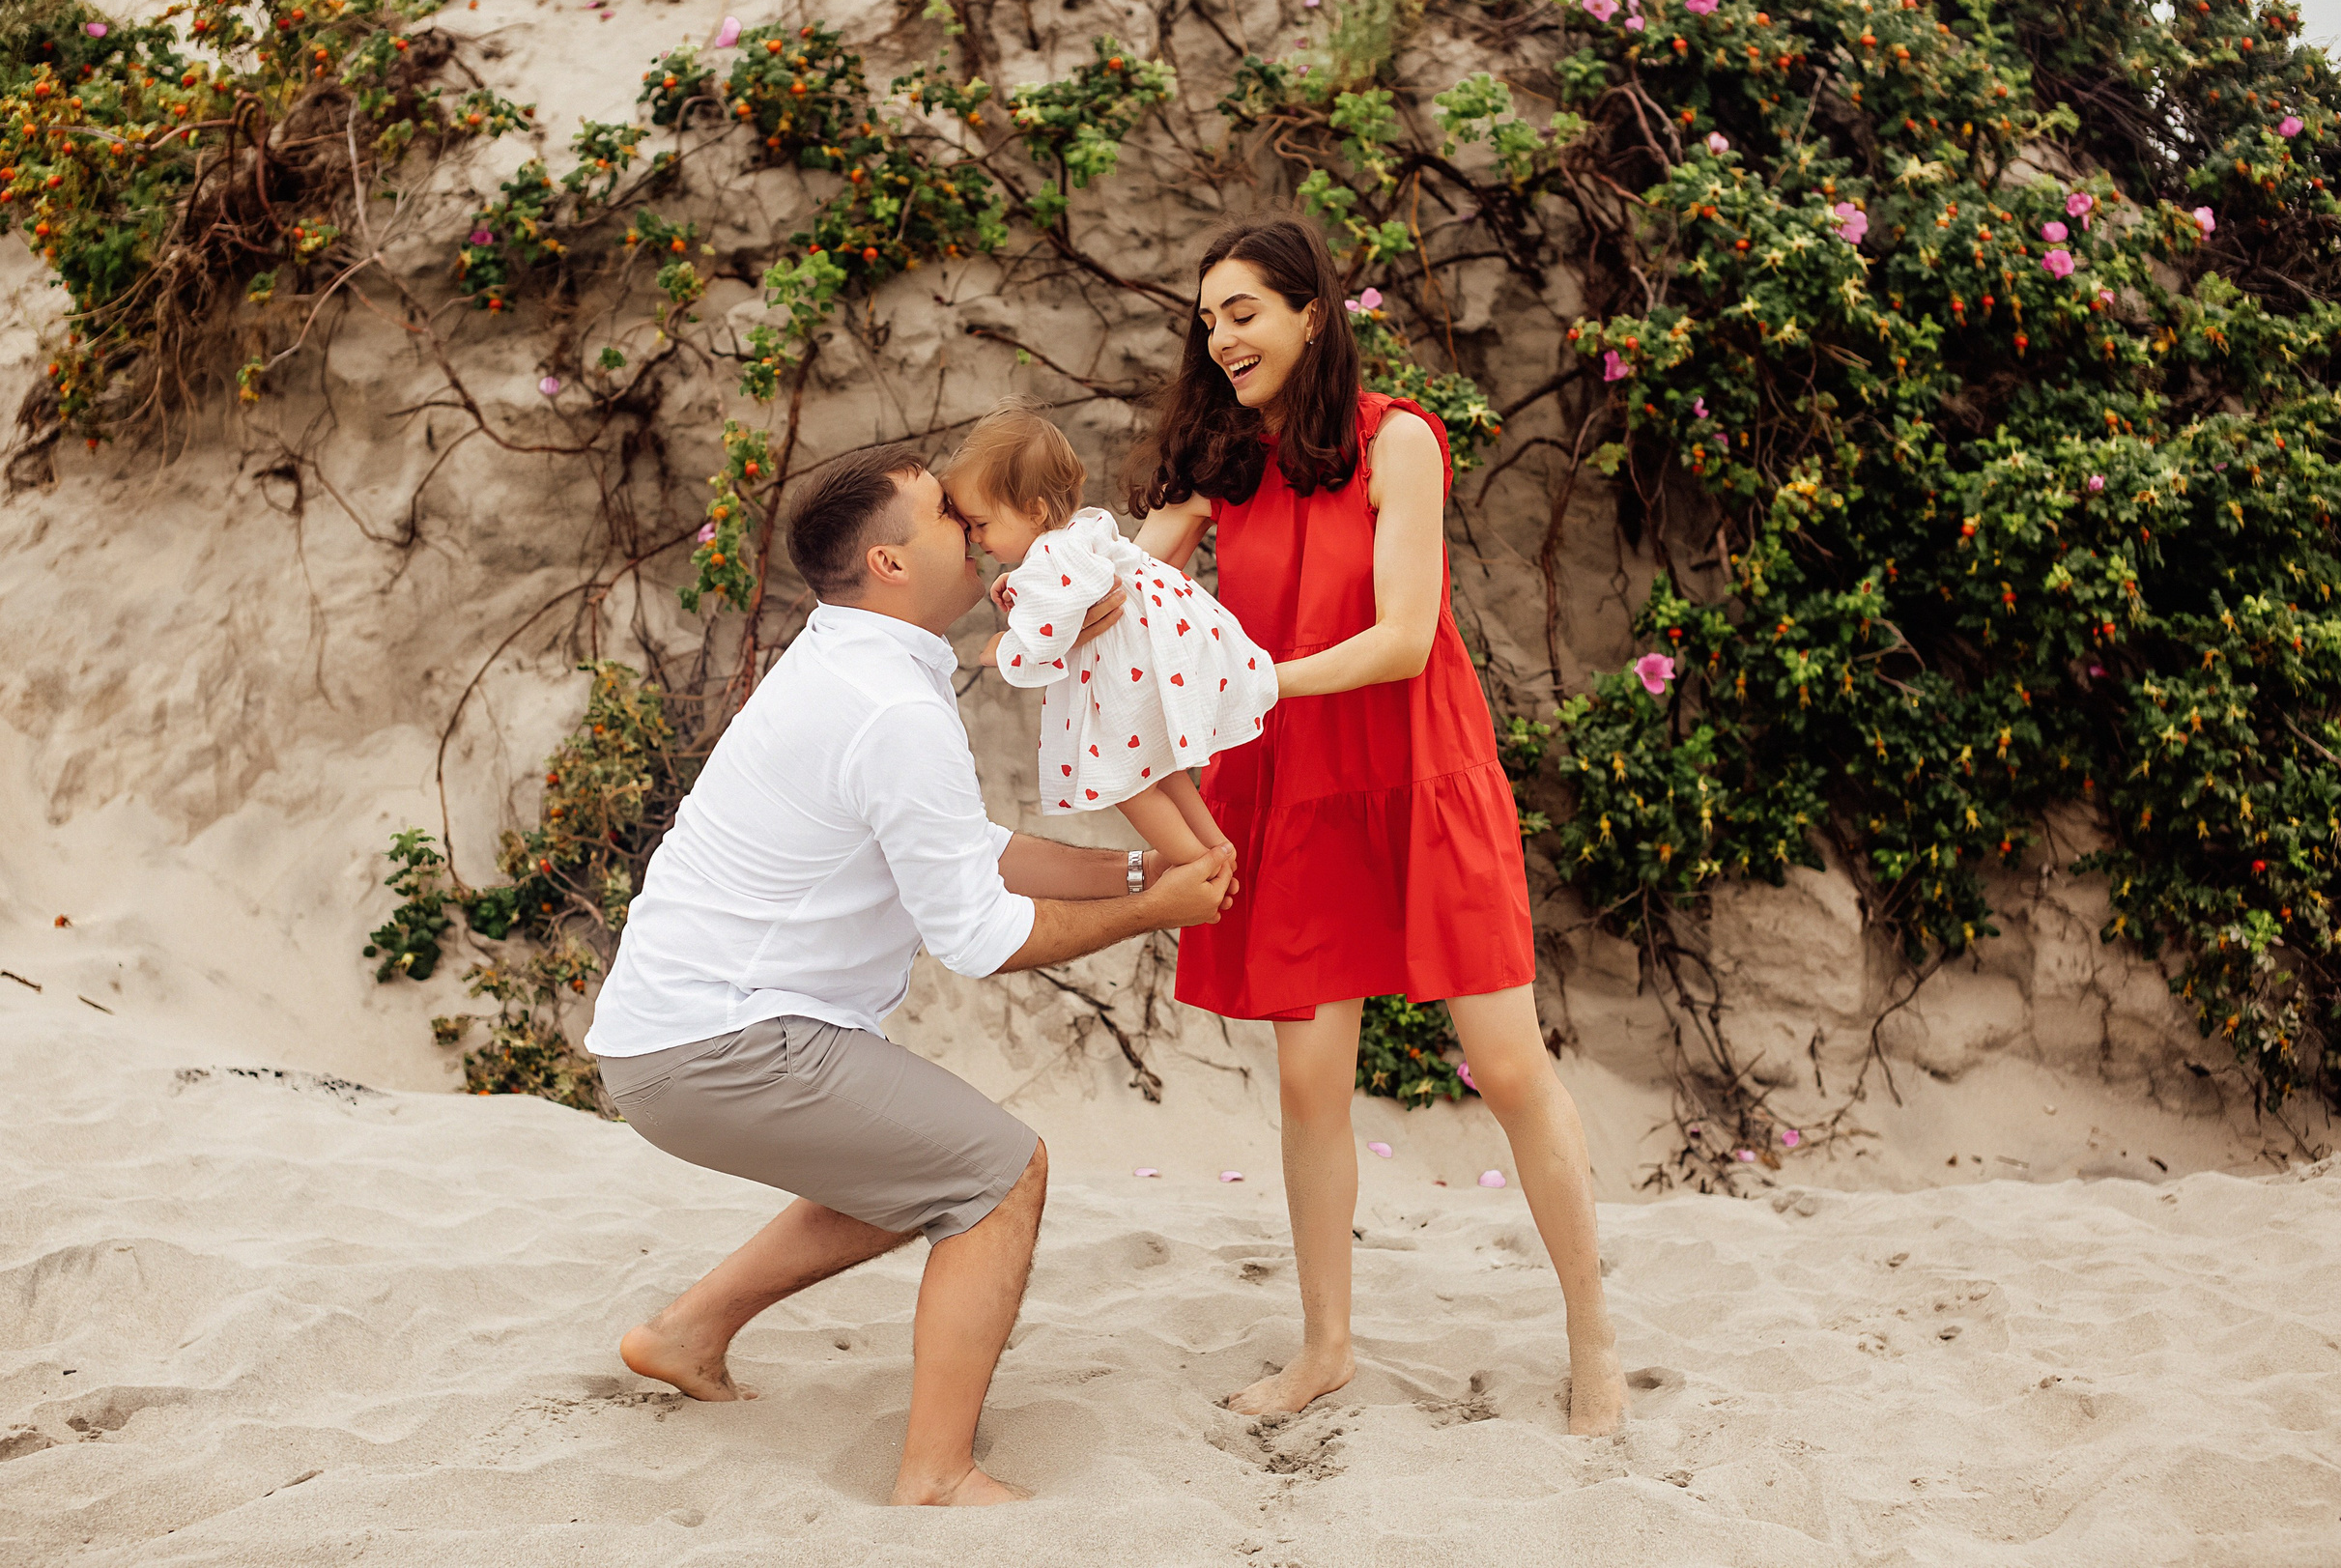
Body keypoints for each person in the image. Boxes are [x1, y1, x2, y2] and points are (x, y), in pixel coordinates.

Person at [585, 442, 1239, 1506]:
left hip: (673, 1039)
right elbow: (979, 935)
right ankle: (935, 1473)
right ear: (890, 564)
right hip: (725, 1043)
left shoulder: (852, 665)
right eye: (947, 515)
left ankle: (685, 1333)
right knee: (998, 1176)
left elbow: (963, 846)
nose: (976, 527)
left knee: (923, 1166)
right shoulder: (889, 707)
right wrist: (1151, 911)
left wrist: (1137, 865)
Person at [1128, 215, 1627, 1436]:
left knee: (1508, 1065)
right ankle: (1326, 1348)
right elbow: (1128, 590)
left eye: (1242, 310)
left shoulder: (1398, 439)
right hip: (1294, 786)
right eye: (1206, 320)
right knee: (1309, 1086)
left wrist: (1253, 682)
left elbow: (1404, 634)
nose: (1221, 337)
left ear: (1311, 313)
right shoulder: (1224, 459)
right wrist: (1040, 606)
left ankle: (1593, 1339)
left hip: (1417, 768)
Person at [943, 397, 1277, 866]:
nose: (975, 537)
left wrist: (997, 651)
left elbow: (1042, 641)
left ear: (1034, 510)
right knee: (1159, 770)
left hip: (1123, 682)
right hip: (1146, 670)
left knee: (1126, 784)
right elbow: (1069, 599)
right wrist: (1017, 590)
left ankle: (1196, 864)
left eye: (981, 523)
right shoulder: (1082, 531)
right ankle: (1216, 845)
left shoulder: (1049, 562)